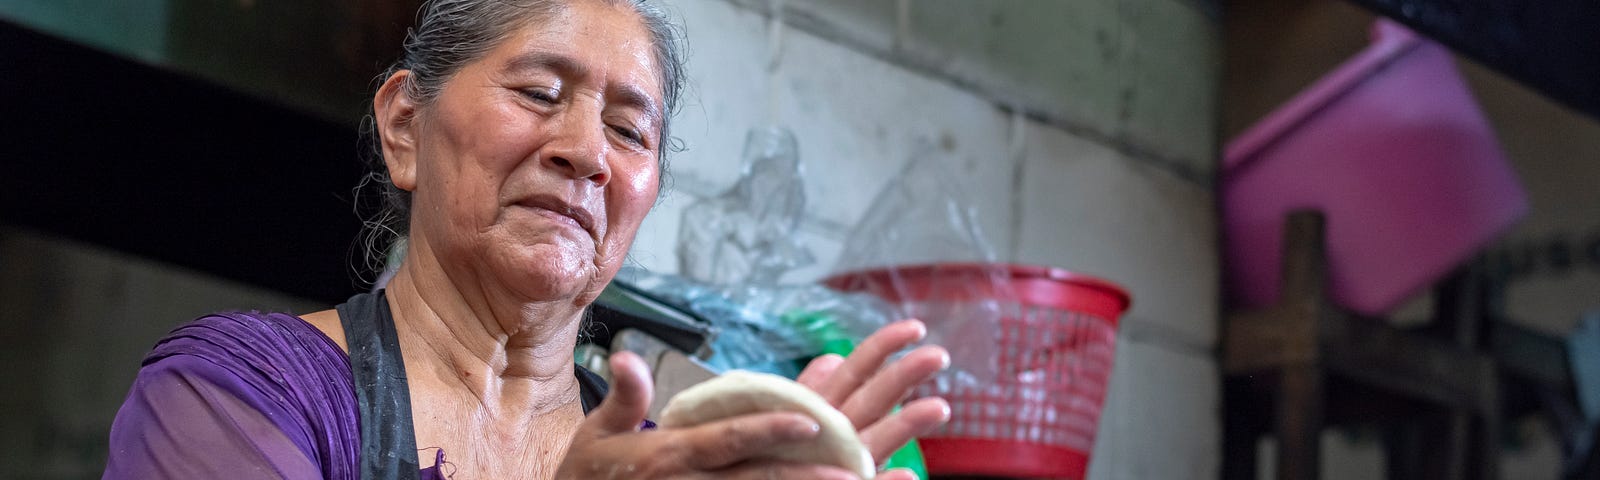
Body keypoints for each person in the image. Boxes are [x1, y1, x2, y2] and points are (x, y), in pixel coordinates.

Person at [102, 0, 952, 479]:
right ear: (405, 125)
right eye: (541, 93)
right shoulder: (248, 390)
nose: (585, 152)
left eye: (629, 131)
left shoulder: (666, 468)